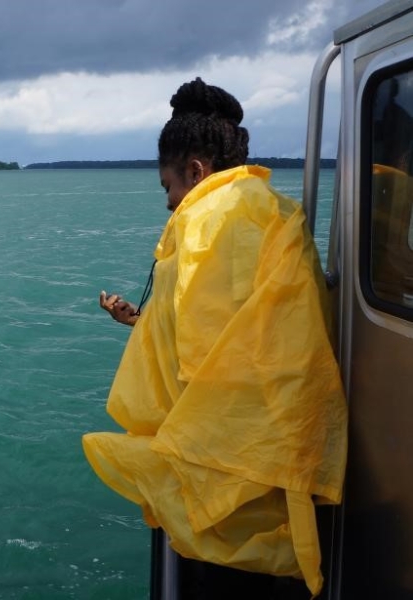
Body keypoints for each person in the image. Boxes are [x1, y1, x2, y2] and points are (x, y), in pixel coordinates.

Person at [82, 79, 347, 598]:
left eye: (167, 186)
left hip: (226, 487)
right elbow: (250, 330)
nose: (169, 202)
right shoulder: (279, 212)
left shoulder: (205, 223)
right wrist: (144, 323)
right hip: (285, 461)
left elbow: (201, 362)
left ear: (196, 170)